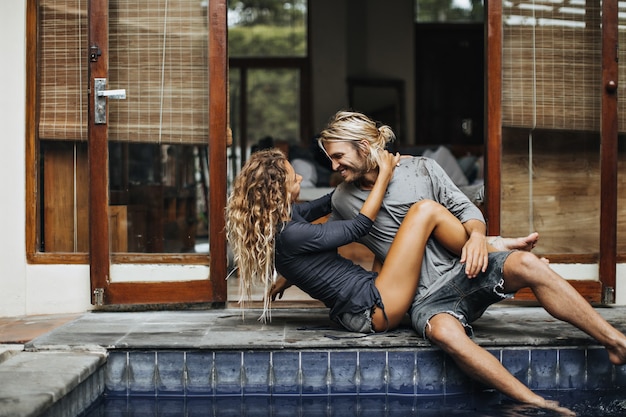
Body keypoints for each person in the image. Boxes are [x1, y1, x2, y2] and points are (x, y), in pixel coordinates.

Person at [314, 110, 626, 412]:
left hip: (466, 268)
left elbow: (466, 210)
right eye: (331, 157)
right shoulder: (343, 199)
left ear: (364, 147)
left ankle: (615, 342)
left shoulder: (423, 168)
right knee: (445, 334)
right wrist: (286, 274)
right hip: (425, 299)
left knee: (529, 264)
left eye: (339, 156)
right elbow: (320, 241)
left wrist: (478, 236)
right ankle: (539, 405)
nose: (334, 164)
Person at [226, 147, 503, 335]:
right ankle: (497, 249)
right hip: (372, 312)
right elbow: (359, 227)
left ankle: (493, 244)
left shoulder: (286, 219)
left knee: (388, 238)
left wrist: (360, 173)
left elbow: (330, 201)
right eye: (293, 177)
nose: (299, 177)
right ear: (277, 190)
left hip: (364, 299)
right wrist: (383, 175)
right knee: (424, 212)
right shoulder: (290, 233)